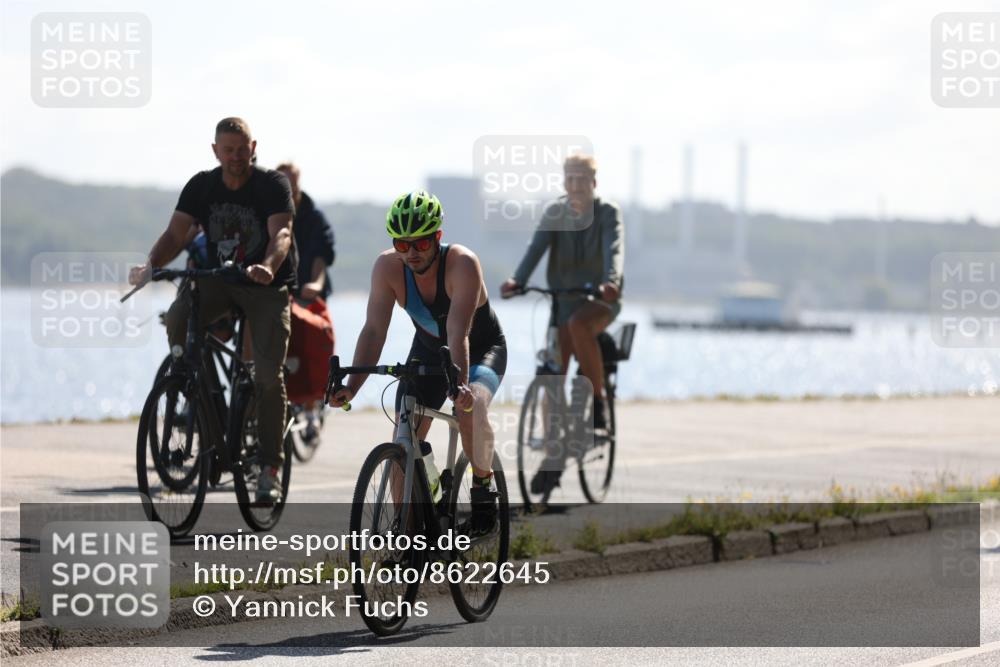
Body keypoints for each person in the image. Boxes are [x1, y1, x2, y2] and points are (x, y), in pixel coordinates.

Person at [128, 117, 296, 504]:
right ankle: (199, 391)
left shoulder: (272, 185)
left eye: (242, 149)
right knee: (177, 319)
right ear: (215, 151)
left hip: (264, 285)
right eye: (228, 149)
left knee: (268, 375)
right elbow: (174, 234)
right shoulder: (201, 185)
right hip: (218, 279)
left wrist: (268, 266)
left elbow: (282, 233)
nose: (235, 157)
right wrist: (151, 265)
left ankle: (270, 466)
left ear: (253, 148)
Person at [328, 190, 506, 535]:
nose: (410, 253)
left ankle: (484, 491)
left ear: (437, 238)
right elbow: (374, 330)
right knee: (403, 437)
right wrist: (351, 386)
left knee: (471, 410)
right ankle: (408, 534)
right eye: (402, 244)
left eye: (421, 245)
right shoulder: (387, 268)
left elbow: (458, 334)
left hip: (481, 348)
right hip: (427, 350)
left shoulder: (463, 264)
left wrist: (462, 388)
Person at [500, 154, 624, 490]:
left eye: (582, 178)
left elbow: (614, 249)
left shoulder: (607, 213)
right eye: (570, 178)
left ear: (594, 182)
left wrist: (611, 281)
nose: (576, 184)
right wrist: (517, 279)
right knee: (551, 376)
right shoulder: (555, 212)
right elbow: (535, 247)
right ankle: (554, 457)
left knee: (579, 326)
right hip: (561, 302)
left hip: (598, 301)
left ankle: (597, 404)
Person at [276, 162, 336, 302]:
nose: (290, 191)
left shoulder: (315, 218)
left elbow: (321, 255)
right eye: (285, 187)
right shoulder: (266, 216)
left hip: (309, 296)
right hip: (276, 295)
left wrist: (317, 284)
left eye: (293, 185)